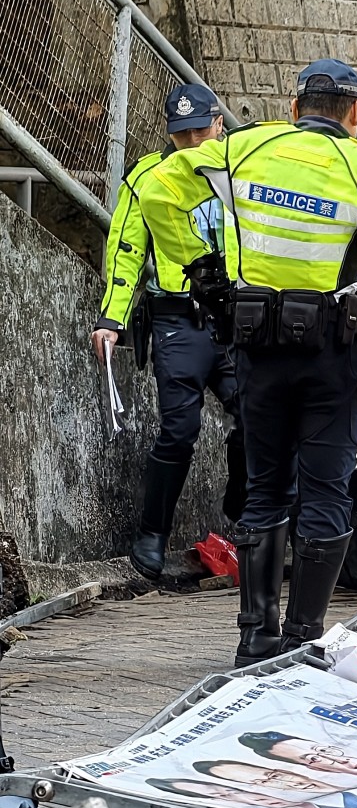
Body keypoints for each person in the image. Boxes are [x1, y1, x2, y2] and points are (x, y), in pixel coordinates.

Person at [190, 58, 357, 666]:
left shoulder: (240, 151)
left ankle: (254, 641)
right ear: (354, 116)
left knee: (264, 490)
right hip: (332, 357)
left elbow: (162, 187)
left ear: (295, 108)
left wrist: (202, 271)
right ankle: (304, 641)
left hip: (256, 351)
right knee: (325, 491)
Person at [91, 82, 245, 580]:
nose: (192, 141)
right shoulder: (146, 177)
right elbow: (126, 250)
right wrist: (111, 319)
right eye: (182, 134)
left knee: (257, 417)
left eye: (201, 130)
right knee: (179, 431)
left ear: (218, 125)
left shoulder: (241, 172)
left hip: (241, 317)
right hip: (178, 318)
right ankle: (152, 533)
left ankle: (242, 517)